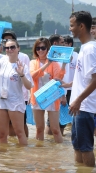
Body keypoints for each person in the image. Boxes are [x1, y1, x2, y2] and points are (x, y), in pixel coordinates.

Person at [0, 39, 33, 145]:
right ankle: (3, 159)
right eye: (7, 48)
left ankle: (23, 158)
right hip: (1, 102)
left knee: (19, 132)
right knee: (1, 134)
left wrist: (22, 75)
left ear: (18, 48)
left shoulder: (23, 66)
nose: (9, 50)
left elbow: (29, 86)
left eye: (12, 47)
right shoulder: (2, 62)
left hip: (15, 102)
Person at [69, 11, 96, 167]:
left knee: (86, 148)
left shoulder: (90, 50)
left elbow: (95, 80)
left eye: (72, 25)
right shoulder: (85, 48)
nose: (70, 28)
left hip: (84, 106)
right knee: (77, 146)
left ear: (81, 26)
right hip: (79, 106)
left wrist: (79, 100)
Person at [30, 37, 65, 143]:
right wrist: (46, 64)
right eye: (38, 48)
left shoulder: (54, 63)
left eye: (43, 48)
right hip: (37, 97)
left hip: (52, 98)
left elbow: (59, 77)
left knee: (55, 129)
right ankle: (40, 154)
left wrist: (64, 63)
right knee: (39, 129)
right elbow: (33, 75)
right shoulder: (33, 62)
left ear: (48, 49)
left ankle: (58, 154)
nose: (40, 50)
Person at [45, 34, 68, 135]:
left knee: (59, 125)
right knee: (53, 127)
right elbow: (57, 80)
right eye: (62, 42)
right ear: (55, 43)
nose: (64, 44)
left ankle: (52, 148)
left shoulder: (59, 57)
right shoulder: (53, 60)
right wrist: (62, 96)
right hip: (55, 95)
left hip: (58, 93)